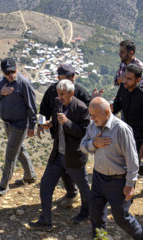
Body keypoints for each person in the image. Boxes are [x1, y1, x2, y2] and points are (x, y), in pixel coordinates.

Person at [81, 97, 143, 240]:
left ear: (107, 112)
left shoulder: (121, 129)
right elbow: (82, 146)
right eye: (90, 115)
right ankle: (101, 238)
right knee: (95, 214)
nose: (91, 118)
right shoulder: (93, 126)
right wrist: (94, 144)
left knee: (121, 217)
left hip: (118, 181)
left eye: (94, 115)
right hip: (98, 177)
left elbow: (132, 159)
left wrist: (130, 184)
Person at [37, 64, 103, 208]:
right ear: (58, 77)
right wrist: (42, 124)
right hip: (60, 140)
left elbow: (89, 118)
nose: (71, 79)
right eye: (67, 76)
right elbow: (45, 109)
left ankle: (90, 207)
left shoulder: (80, 91)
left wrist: (94, 101)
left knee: (78, 174)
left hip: (76, 144)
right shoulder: (52, 92)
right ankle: (72, 193)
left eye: (73, 76)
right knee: (63, 169)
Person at [29, 80, 91, 230]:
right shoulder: (58, 104)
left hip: (74, 156)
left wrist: (67, 123)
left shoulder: (82, 109)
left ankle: (87, 212)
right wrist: (50, 124)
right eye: (58, 93)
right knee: (45, 185)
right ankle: (46, 221)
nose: (59, 96)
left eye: (62, 94)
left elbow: (84, 133)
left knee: (83, 187)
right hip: (58, 154)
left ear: (71, 93)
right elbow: (57, 124)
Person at [0, 58, 37, 196]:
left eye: (13, 71)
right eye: (7, 73)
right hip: (7, 124)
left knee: (10, 155)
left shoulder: (24, 84)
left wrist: (32, 126)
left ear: (17, 68)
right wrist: (1, 93)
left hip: (19, 125)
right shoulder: (1, 82)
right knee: (19, 149)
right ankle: (30, 176)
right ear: (3, 72)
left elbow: (32, 106)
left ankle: (4, 185)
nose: (11, 75)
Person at [112, 64, 143, 189]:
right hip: (123, 132)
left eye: (129, 79)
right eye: (125, 77)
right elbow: (117, 105)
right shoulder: (123, 88)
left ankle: (128, 198)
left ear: (138, 80)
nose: (125, 81)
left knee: (131, 165)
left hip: (138, 136)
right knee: (128, 162)